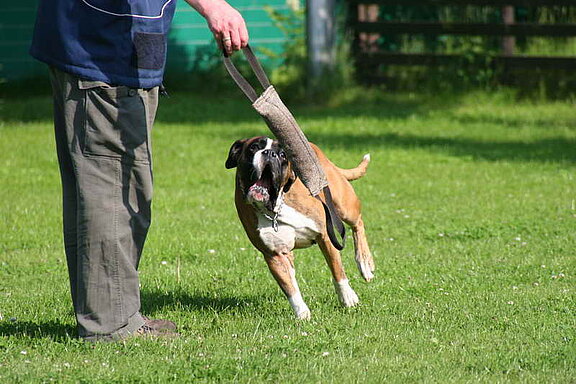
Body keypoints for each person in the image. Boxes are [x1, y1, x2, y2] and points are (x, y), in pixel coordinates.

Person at [30, 0, 249, 341]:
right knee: (115, 189)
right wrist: (213, 6)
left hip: (100, 43)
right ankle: (111, 324)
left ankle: (113, 313)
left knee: (99, 187)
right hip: (104, 49)